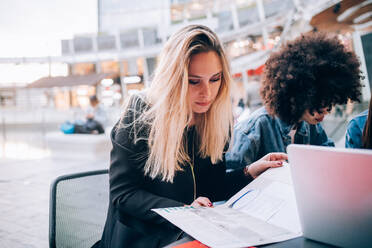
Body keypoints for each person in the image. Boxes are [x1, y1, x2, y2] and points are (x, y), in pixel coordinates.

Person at [96, 25, 287, 248]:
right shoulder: (140, 115)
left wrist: (249, 172)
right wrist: (183, 212)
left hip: (193, 235)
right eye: (194, 81)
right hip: (141, 238)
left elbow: (211, 188)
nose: (207, 93)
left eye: (215, 79)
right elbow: (124, 194)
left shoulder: (215, 118)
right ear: (173, 79)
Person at [226, 32, 363, 170]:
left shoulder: (310, 124)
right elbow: (232, 181)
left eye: (330, 102)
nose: (327, 111)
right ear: (298, 94)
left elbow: (329, 156)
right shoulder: (252, 131)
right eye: (318, 102)